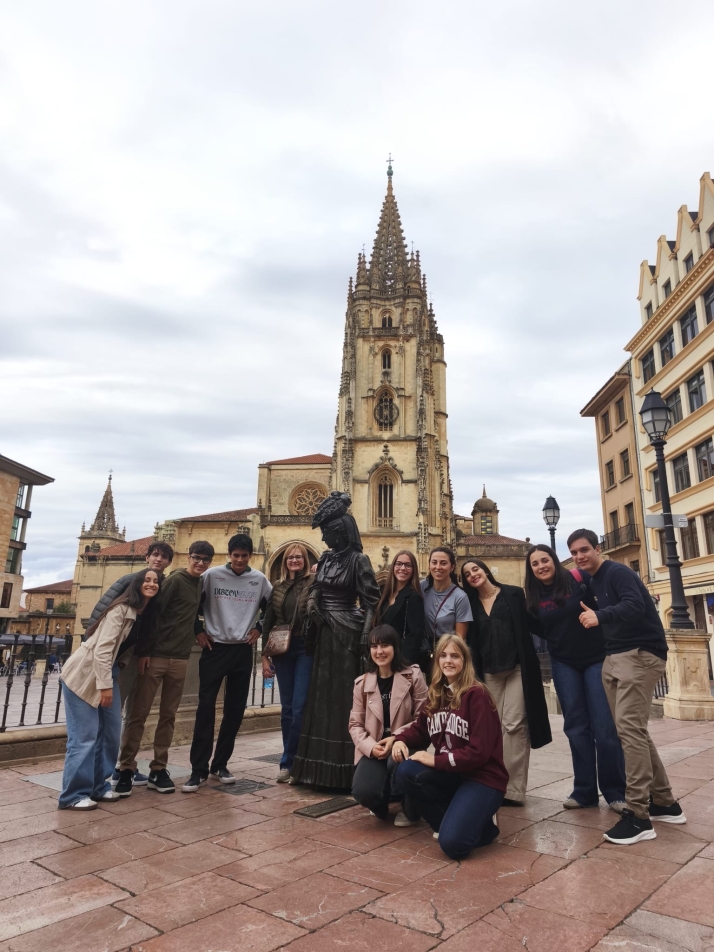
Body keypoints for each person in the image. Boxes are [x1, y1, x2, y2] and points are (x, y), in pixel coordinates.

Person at [569, 529, 686, 845]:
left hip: (640, 654)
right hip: (617, 656)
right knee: (635, 731)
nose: (579, 556)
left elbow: (634, 605)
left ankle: (638, 816)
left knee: (629, 731)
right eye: (574, 552)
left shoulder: (617, 572)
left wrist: (599, 616)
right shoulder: (594, 581)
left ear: (598, 549)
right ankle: (665, 802)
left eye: (584, 550)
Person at [525, 544, 626, 812]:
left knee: (604, 727)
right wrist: (559, 638)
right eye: (535, 564)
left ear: (554, 560)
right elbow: (537, 627)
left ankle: (616, 792)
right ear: (530, 569)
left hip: (595, 658)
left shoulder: (577, 580)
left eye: (545, 560)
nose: (541, 566)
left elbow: (603, 605)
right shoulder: (533, 597)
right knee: (576, 727)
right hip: (563, 663)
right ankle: (584, 792)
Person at [291, 492, 381, 790]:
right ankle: (314, 769)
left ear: (340, 532)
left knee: (344, 699)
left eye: (327, 532)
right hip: (323, 632)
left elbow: (371, 602)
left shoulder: (359, 560)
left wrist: (366, 635)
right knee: (320, 698)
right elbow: (317, 586)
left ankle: (344, 770)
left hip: (347, 634)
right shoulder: (326, 558)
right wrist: (313, 600)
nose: (324, 537)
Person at [390, 633, 507, 859]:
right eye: (443, 655)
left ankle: (484, 827)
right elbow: (420, 731)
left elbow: (479, 752)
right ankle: (452, 822)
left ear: (465, 661)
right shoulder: (436, 694)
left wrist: (435, 760)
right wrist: (400, 739)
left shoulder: (477, 695)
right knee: (406, 771)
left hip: (482, 779)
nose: (448, 661)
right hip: (453, 774)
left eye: (455, 656)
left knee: (454, 846)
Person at [114, 540, 214, 796]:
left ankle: (159, 769)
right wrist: (146, 651)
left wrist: (198, 631)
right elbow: (153, 614)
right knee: (138, 714)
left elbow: (191, 615)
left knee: (168, 715)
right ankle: (126, 768)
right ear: (188, 556)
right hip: (156, 656)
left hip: (180, 658)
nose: (200, 562)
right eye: (196, 557)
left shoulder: (200, 583)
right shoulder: (176, 580)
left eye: (205, 559)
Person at [58, 569, 160, 810]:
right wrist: (105, 686)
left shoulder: (143, 614)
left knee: (110, 734)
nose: (152, 584)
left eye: (156, 581)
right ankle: (73, 795)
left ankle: (98, 786)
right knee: (84, 737)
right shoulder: (120, 610)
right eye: (147, 580)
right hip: (84, 674)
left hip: (108, 673)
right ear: (136, 585)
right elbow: (102, 650)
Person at [183, 534, 272, 792]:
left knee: (234, 711)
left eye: (244, 556)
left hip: (242, 650)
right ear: (229, 555)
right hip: (214, 648)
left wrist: (259, 627)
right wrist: (197, 631)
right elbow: (191, 604)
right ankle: (198, 770)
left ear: (250, 556)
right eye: (236, 556)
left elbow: (273, 607)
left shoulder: (259, 580)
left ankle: (220, 765)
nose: (240, 560)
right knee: (205, 709)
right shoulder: (211, 576)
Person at [461, 557, 551, 806]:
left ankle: (513, 790)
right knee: (490, 728)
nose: (473, 574)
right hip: (489, 672)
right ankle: (492, 782)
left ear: (485, 570)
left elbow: (535, 622)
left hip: (517, 668)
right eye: (467, 574)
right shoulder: (469, 604)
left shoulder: (513, 594)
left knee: (514, 726)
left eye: (476, 569)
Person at [86, 541, 174, 789]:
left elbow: (150, 624)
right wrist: (90, 637)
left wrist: (145, 651)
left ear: (169, 562)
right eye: (155, 555)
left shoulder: (162, 586)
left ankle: (122, 767)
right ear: (147, 557)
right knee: (112, 715)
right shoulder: (131, 580)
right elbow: (103, 607)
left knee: (132, 713)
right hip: (118, 656)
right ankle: (99, 776)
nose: (158, 559)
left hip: (139, 655)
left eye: (164, 557)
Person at [349, 624, 428, 824]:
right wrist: (371, 747)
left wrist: (396, 738)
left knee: (397, 761)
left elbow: (423, 717)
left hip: (405, 743)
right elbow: (355, 724)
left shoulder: (413, 676)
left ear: (395, 647)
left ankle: (411, 810)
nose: (379, 651)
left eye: (385, 645)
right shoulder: (362, 684)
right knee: (363, 791)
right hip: (375, 746)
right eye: (374, 646)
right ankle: (381, 805)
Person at [261, 543, 314, 783]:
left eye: (299, 557)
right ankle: (287, 762)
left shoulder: (313, 583)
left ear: (305, 560)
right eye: (290, 557)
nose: (294, 560)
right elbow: (268, 622)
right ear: (285, 562)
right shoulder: (278, 587)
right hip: (282, 650)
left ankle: (297, 761)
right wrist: (264, 656)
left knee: (300, 707)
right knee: (288, 708)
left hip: (305, 648)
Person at [373, 550, 425, 667]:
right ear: (393, 567)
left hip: (399, 661)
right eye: (399, 564)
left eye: (408, 565)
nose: (402, 568)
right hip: (381, 658)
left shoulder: (413, 597)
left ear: (413, 570)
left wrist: (403, 664)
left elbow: (414, 636)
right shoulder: (385, 595)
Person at [421, 548, 472, 658]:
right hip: (424, 651)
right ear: (429, 565)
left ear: (452, 567)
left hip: (448, 653)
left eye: (443, 563)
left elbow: (460, 639)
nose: (438, 567)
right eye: (434, 562)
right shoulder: (422, 587)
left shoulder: (460, 597)